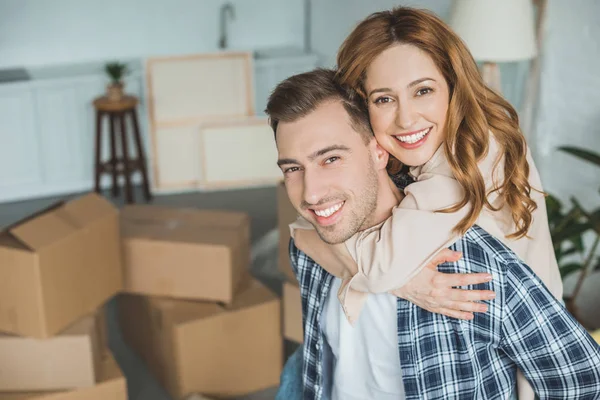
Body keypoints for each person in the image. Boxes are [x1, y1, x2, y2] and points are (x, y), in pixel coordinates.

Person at [268, 68, 600, 400]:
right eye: (294, 168)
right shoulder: (312, 248)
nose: (310, 194)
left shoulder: (471, 263)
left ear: (378, 151)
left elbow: (581, 378)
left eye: (331, 159)